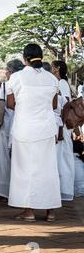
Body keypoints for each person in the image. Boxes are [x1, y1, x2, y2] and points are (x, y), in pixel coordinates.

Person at [6, 43, 61, 222]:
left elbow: (10, 104)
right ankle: (50, 212)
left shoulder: (17, 77)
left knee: (25, 170)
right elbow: (53, 105)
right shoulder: (52, 79)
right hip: (46, 129)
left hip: (25, 129)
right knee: (48, 169)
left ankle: (28, 211)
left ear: (25, 58)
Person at [0, 59, 24, 201]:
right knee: (19, 160)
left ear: (9, 72)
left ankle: (4, 191)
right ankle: (18, 191)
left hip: (4, 126)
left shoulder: (4, 86)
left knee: (3, 160)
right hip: (20, 126)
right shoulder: (24, 85)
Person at [52, 60, 75, 202]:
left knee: (63, 159)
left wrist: (61, 125)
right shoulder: (62, 83)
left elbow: (66, 104)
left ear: (58, 68)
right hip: (63, 125)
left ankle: (65, 190)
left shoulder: (61, 83)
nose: (52, 70)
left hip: (63, 126)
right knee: (62, 158)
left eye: (53, 67)